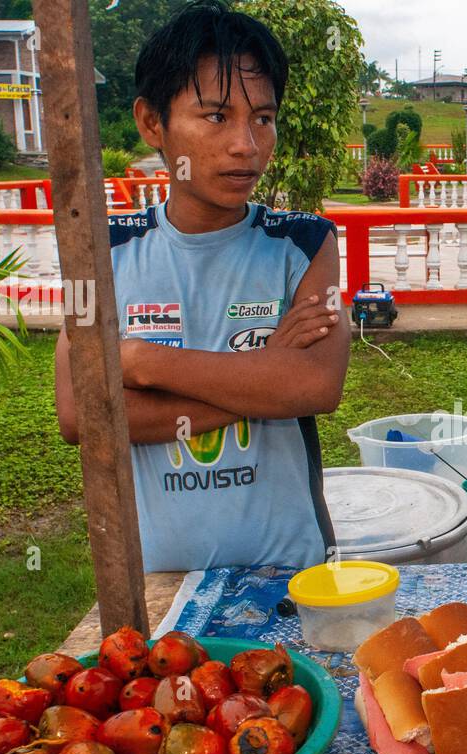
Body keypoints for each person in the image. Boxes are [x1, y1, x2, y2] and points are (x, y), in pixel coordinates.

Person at [54, 0, 347, 573]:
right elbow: (81, 416)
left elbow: (313, 385)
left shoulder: (304, 244)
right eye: (217, 117)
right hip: (158, 578)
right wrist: (262, 376)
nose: (246, 144)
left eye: (262, 118)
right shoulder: (102, 255)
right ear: (151, 122)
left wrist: (139, 362)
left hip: (291, 575)